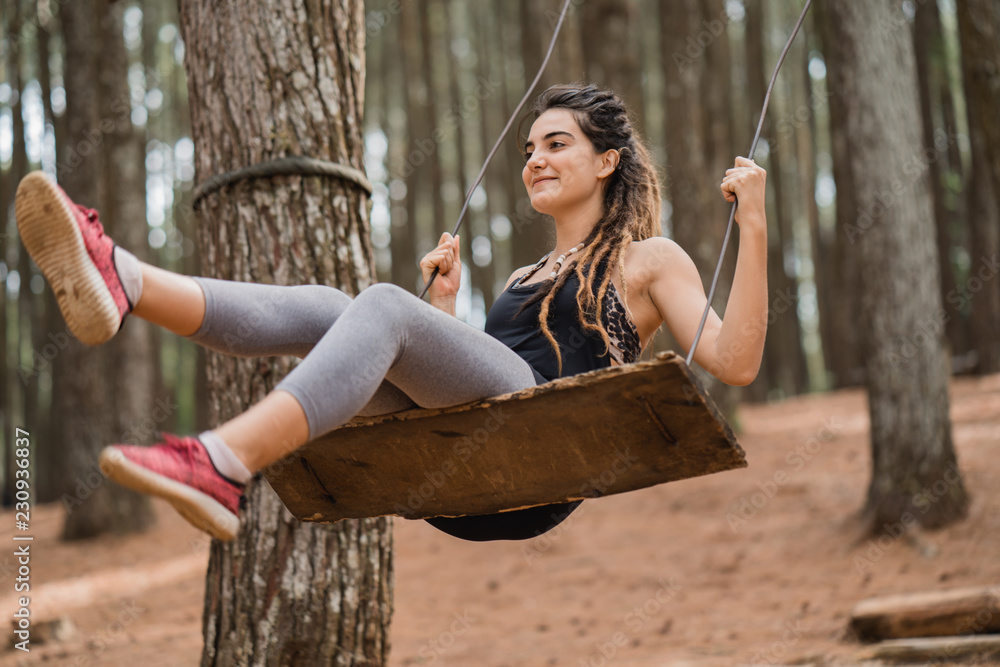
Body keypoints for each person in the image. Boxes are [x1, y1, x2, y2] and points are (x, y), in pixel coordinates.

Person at [14, 84, 768, 543]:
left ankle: (221, 462)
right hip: (465, 459)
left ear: (607, 161)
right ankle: (126, 281)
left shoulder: (649, 260)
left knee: (379, 303)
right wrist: (444, 310)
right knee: (328, 306)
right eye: (529, 147)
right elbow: (476, 379)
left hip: (541, 455)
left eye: (557, 143)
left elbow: (734, 361)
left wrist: (755, 226)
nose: (534, 158)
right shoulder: (522, 274)